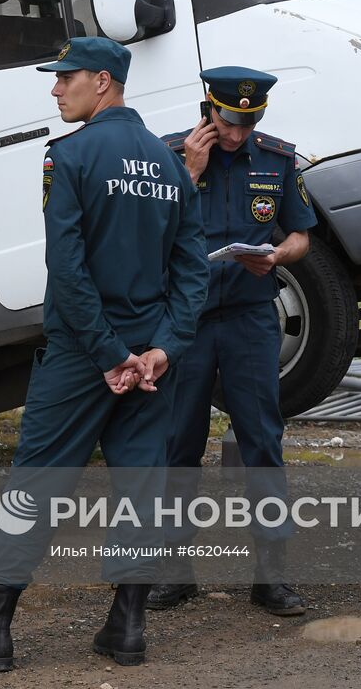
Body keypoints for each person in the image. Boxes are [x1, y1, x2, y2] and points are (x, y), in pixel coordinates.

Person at [0, 36, 208, 671]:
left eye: (66, 78)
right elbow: (193, 274)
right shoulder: (171, 167)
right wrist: (160, 350)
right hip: (149, 362)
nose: (56, 89)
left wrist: (109, 353)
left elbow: (69, 267)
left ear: (103, 83)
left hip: (87, 356)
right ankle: (128, 628)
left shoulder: (73, 155)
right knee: (143, 487)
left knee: (36, 481)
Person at [148, 66, 315, 616]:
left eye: (249, 122)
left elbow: (300, 234)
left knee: (263, 443)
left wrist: (278, 255)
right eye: (227, 121)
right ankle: (174, 573)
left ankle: (272, 578)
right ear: (207, 107)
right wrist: (190, 173)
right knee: (178, 447)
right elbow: (146, 230)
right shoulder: (168, 155)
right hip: (185, 324)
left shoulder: (277, 159)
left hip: (248, 319)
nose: (237, 134)